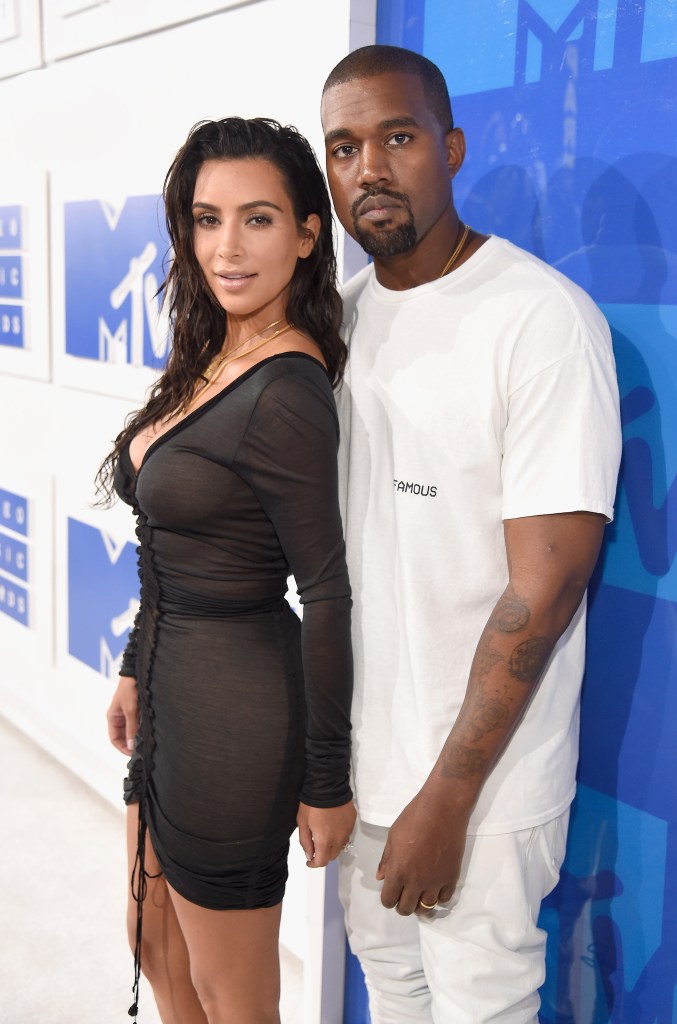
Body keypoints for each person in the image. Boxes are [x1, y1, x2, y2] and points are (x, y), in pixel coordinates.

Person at [320, 45, 621, 1023]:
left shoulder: (538, 320)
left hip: (479, 795)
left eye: (396, 137)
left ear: (450, 148)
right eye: (343, 147)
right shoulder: (339, 321)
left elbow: (544, 591)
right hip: (362, 768)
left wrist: (446, 800)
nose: (368, 167)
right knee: (393, 994)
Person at [98, 116, 356, 1024]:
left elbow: (324, 591)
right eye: (208, 219)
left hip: (238, 716)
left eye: (258, 219)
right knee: (154, 941)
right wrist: (136, 662)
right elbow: (172, 549)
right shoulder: (212, 349)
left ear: (306, 233)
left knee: (230, 990)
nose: (227, 247)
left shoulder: (287, 390)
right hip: (171, 685)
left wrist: (327, 780)